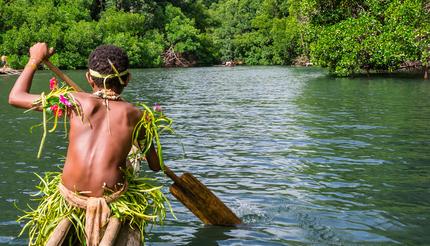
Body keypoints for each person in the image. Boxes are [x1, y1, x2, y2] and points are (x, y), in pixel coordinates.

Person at [8, 43, 168, 245]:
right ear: (127, 79)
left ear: (89, 79)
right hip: (112, 199)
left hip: (71, 196)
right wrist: (142, 140)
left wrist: (34, 60)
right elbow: (155, 166)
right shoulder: (138, 116)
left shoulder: (75, 102)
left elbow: (15, 97)